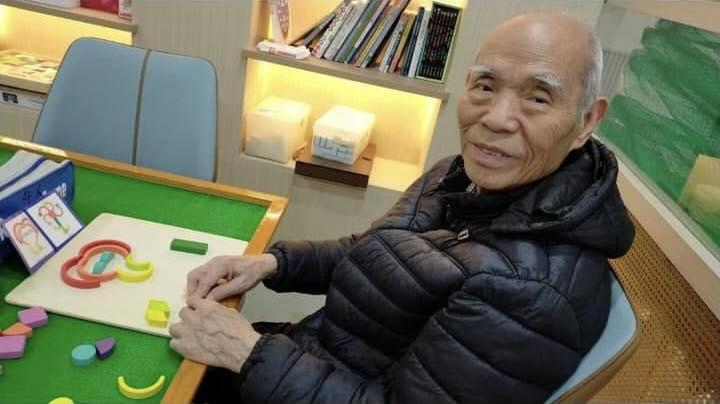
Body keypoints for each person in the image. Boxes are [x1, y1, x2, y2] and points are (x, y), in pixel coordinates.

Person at [169, 11, 635, 403]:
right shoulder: (461, 174)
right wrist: (272, 264)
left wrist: (249, 353)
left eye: (537, 98)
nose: (495, 119)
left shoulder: (532, 290)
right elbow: (377, 252)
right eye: (485, 86)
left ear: (586, 121)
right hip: (305, 360)